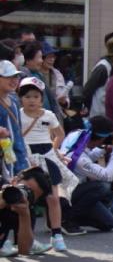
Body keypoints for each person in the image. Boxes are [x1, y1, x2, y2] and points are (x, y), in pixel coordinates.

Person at [17, 78, 70, 252]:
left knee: (53, 198)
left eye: (35, 96)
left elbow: (59, 135)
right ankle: (26, 238)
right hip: (27, 158)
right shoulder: (17, 114)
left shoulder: (49, 115)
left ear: (41, 98)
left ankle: (57, 235)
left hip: (47, 157)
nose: (31, 100)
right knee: (28, 199)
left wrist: (52, 151)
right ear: (21, 98)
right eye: (27, 96)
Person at [0, 168, 53, 258]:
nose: (23, 194)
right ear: (14, 181)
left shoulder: (26, 209)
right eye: (24, 188)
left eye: (30, 195)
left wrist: (24, 216)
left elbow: (24, 250)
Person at [82, 35, 113, 119]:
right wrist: (87, 108)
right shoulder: (103, 67)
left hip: (108, 114)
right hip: (98, 115)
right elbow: (87, 90)